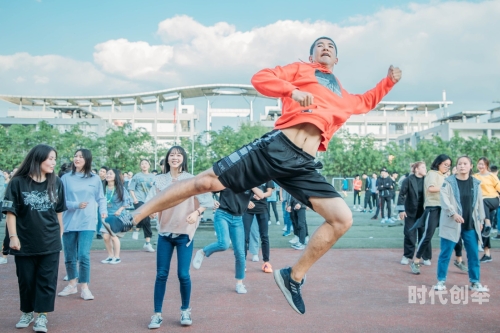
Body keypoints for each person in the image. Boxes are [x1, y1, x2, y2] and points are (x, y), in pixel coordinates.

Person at [131, 36, 401, 315]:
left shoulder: (344, 97)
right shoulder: (301, 70)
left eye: (331, 47)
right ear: (312, 56)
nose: (325, 48)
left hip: (303, 164)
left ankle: (292, 277)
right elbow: (261, 78)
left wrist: (389, 81)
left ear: (336, 59)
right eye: (320, 45)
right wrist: (292, 92)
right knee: (204, 182)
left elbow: (367, 101)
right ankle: (134, 216)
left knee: (342, 219)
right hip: (276, 148)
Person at [146, 146, 213, 329]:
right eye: (172, 155)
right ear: (167, 159)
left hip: (185, 233)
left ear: (183, 159)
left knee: (183, 274)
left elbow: (208, 201)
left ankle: (185, 310)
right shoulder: (159, 180)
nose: (175, 158)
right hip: (165, 233)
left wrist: (197, 213)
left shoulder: (191, 179)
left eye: (178, 155)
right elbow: (149, 202)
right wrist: (151, 211)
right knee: (161, 274)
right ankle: (157, 314)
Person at [3, 144, 67, 332]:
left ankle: (42, 316)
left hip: (50, 240)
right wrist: (13, 237)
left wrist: (60, 234)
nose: (53, 162)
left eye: (55, 158)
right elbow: (10, 211)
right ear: (37, 159)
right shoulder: (18, 182)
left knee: (47, 280)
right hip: (24, 240)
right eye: (49, 158)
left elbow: (59, 212)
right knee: (26, 280)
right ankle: (27, 312)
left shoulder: (56, 182)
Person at [57, 149, 108, 300]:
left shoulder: (95, 178)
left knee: (83, 255)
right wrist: (76, 204)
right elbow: (61, 201)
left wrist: (104, 211)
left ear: (87, 160)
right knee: (69, 255)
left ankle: (84, 287)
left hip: (87, 221)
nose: (77, 159)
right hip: (69, 221)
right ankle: (72, 284)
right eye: (75, 156)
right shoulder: (65, 178)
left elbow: (101, 198)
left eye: (81, 156)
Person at [434, 156, 489, 293]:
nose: (462, 166)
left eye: (465, 164)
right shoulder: (449, 182)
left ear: (471, 166)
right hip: (451, 223)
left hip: (470, 225)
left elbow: (479, 203)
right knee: (445, 253)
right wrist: (453, 213)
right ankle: (441, 280)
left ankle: (475, 282)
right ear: (456, 166)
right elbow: (444, 199)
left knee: (473, 254)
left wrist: (481, 220)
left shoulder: (476, 183)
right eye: (459, 164)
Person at [192, 187, 260, 294]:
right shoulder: (227, 179)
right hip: (222, 215)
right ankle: (202, 252)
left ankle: (239, 284)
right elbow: (209, 191)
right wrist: (212, 201)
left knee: (240, 253)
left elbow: (260, 194)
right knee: (224, 244)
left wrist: (248, 197)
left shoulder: (250, 182)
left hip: (238, 219)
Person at [410, 154, 451, 274]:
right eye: (445, 165)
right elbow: (431, 189)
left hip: (445, 208)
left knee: (454, 233)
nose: (447, 167)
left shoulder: (445, 176)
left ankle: (459, 259)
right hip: (433, 207)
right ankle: (416, 260)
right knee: (428, 235)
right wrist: (447, 186)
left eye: (449, 166)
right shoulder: (432, 174)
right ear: (438, 163)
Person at [396, 161, 427, 265]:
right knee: (409, 234)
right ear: (417, 169)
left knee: (424, 234)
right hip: (410, 211)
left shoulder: (427, 180)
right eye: (423, 167)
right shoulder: (408, 180)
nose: (425, 169)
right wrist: (401, 210)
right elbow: (401, 195)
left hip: (423, 212)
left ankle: (426, 257)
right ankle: (407, 256)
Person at [100, 169, 133, 265]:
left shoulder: (120, 188)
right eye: (107, 174)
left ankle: (117, 257)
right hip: (106, 215)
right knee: (105, 237)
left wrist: (120, 210)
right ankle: (110, 256)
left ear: (116, 176)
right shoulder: (103, 188)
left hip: (116, 216)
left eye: (110, 174)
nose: (108, 175)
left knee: (113, 236)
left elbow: (128, 201)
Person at [243, 181, 274, 273]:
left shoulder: (267, 176)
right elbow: (240, 191)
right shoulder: (247, 176)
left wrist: (262, 195)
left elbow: (269, 192)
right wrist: (246, 201)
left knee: (264, 236)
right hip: (248, 208)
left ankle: (266, 263)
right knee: (245, 236)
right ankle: (242, 263)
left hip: (262, 208)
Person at [473, 157, 500, 262]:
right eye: (479, 164)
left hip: (492, 200)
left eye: (483, 164)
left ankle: (488, 223)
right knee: (484, 230)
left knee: (484, 202)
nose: (481, 166)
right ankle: (487, 254)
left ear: (487, 166)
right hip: (481, 206)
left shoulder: (492, 176)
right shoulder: (475, 177)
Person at [129, 159, 155, 252]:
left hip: (149, 200)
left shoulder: (153, 177)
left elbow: (156, 189)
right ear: (140, 166)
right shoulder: (137, 176)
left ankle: (140, 232)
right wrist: (134, 198)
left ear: (149, 165)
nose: (144, 165)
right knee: (145, 218)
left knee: (146, 219)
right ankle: (147, 243)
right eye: (142, 164)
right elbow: (131, 189)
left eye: (146, 163)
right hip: (139, 200)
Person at [96, 166, 109, 240]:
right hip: (94, 200)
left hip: (103, 201)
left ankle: (99, 232)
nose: (101, 172)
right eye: (101, 171)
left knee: (100, 217)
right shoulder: (96, 180)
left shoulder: (107, 181)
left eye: (103, 172)